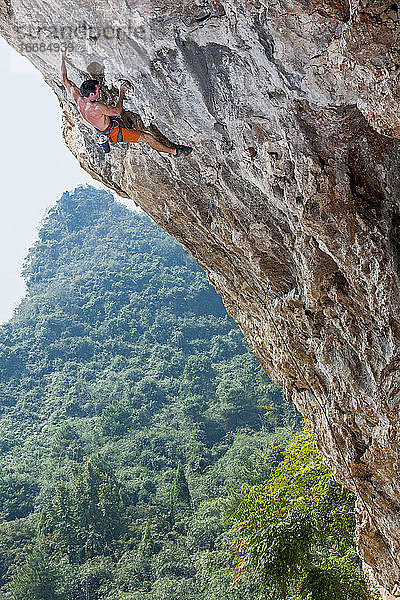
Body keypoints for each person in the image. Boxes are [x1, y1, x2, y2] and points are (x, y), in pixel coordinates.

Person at [60, 51, 192, 157]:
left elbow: (65, 79)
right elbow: (117, 112)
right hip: (113, 132)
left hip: (104, 126)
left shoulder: (78, 97)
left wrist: (62, 58)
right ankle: (175, 152)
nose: (100, 91)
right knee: (147, 137)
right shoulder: (96, 107)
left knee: (124, 120)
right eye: (98, 90)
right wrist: (121, 92)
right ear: (90, 95)